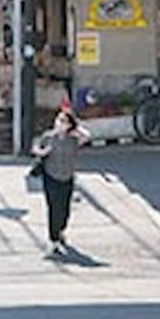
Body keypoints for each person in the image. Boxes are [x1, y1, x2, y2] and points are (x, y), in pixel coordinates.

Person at [33, 108, 91, 255]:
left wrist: (75, 128)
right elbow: (36, 148)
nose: (59, 124)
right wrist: (42, 152)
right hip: (50, 176)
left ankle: (60, 230)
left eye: (64, 121)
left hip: (67, 177)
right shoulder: (48, 137)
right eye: (58, 120)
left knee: (64, 210)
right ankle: (53, 240)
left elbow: (87, 137)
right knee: (53, 207)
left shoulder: (73, 139)